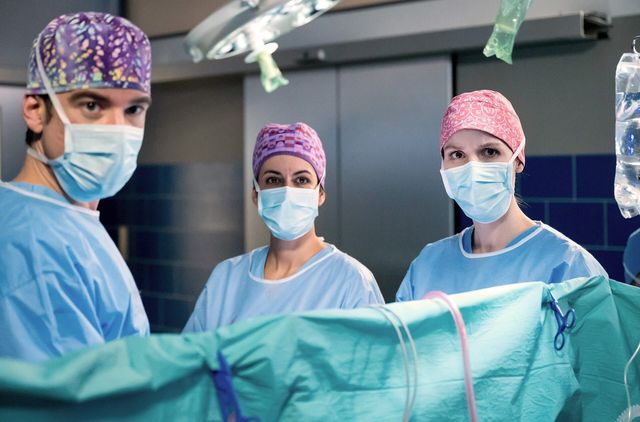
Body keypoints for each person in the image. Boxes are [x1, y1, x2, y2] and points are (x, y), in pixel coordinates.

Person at [0, 12, 152, 361]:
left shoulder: (67, 223)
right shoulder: (35, 247)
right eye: (92, 105)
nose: (117, 129)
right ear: (35, 110)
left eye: (134, 109)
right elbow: (71, 392)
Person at [396, 90, 608, 301]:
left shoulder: (568, 266)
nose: (472, 168)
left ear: (518, 160)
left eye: (489, 152)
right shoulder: (427, 266)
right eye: (457, 154)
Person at [184, 122, 383, 331]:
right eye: (273, 180)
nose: (287, 191)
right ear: (256, 194)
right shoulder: (226, 279)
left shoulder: (351, 281)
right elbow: (194, 350)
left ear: (320, 194)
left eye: (301, 180)